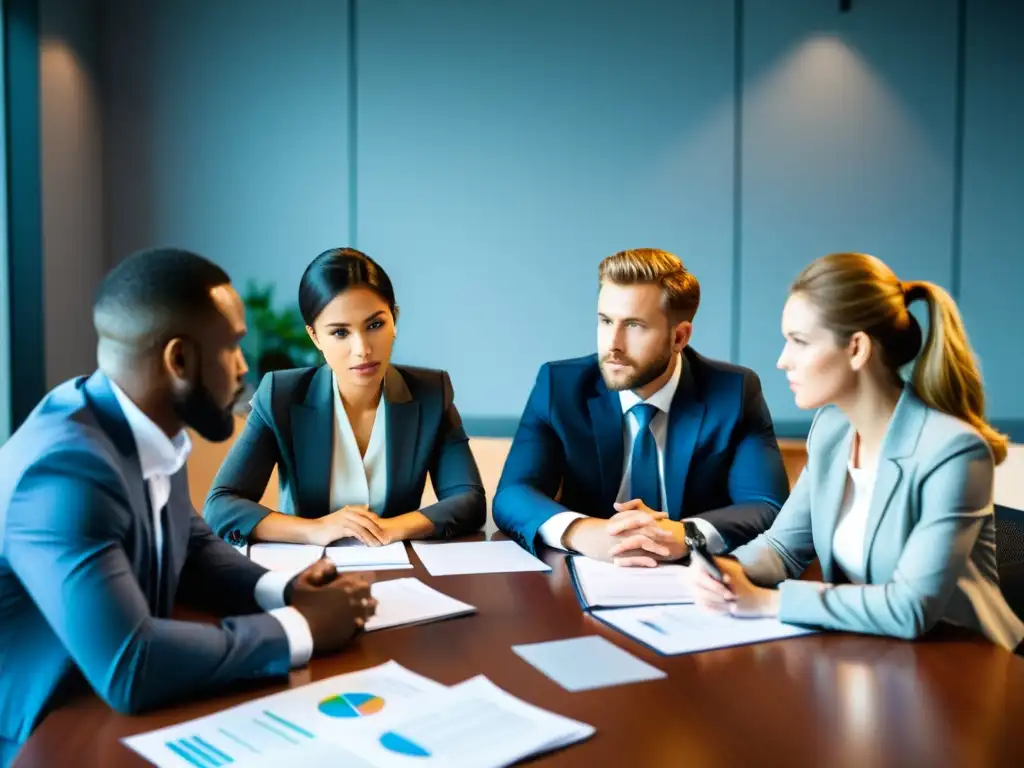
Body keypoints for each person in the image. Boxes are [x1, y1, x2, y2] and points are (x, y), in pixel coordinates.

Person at [0, 248, 377, 766]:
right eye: (232, 348)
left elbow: (193, 545)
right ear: (179, 361)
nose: (245, 368)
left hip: (111, 713)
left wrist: (285, 590)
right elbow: (131, 664)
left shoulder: (140, 423)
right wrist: (303, 627)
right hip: (46, 737)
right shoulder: (64, 474)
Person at [691, 252, 1024, 651]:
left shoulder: (953, 451)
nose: (782, 361)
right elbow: (782, 549)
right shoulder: (832, 431)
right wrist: (726, 572)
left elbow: (911, 607)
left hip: (961, 665)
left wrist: (767, 603)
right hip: (874, 653)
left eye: (799, 342)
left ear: (857, 348)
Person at [493, 248, 790, 563]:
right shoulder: (560, 385)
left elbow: (766, 505)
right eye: (606, 321)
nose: (613, 345)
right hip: (588, 572)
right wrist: (583, 531)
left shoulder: (734, 392)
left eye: (634, 326)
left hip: (699, 581)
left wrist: (686, 534)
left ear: (679, 337)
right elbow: (513, 493)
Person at [204, 248, 486, 547]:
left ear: (395, 319)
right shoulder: (281, 396)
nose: (362, 349)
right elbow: (221, 505)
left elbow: (469, 500)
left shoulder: (431, 393)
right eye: (340, 333)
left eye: (375, 325)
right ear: (315, 337)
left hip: (399, 568)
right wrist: (314, 530)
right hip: (307, 574)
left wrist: (393, 528)